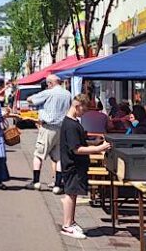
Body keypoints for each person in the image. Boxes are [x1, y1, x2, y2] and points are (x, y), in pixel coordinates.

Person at [60, 94, 111, 239]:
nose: (84, 112)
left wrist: (93, 143)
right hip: (72, 164)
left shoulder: (72, 122)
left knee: (73, 193)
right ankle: (67, 225)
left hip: (76, 164)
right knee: (70, 194)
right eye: (84, 109)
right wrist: (98, 149)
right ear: (77, 107)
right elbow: (76, 149)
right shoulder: (70, 125)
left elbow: (79, 143)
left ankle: (71, 222)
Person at [25, 74, 72, 193]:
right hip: (62, 128)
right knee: (59, 157)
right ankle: (57, 185)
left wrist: (39, 103)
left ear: (50, 83)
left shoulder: (48, 93)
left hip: (48, 127)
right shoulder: (67, 94)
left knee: (38, 154)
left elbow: (30, 99)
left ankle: (36, 182)